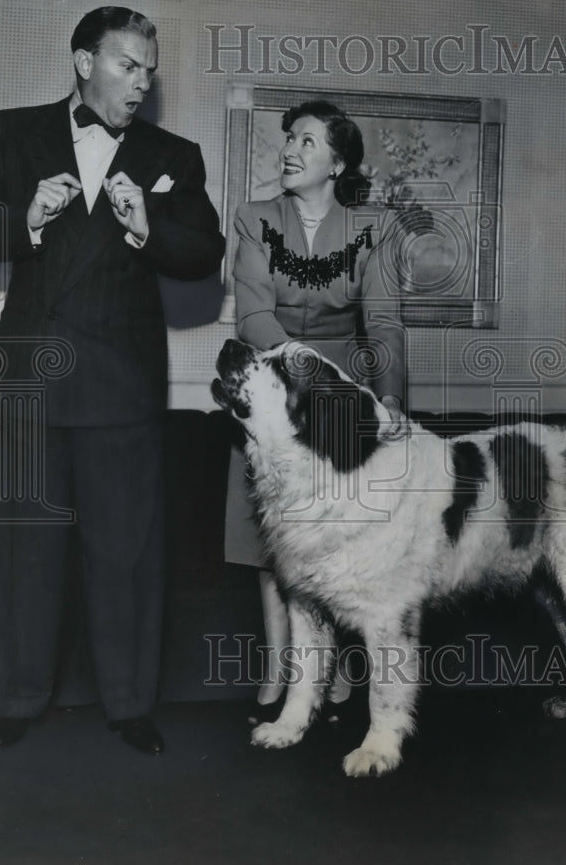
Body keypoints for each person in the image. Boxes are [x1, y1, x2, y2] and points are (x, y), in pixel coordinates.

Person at [0, 6, 225, 755]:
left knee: (127, 554)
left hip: (122, 383)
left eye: (149, 71)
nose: (140, 84)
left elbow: (204, 253)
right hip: (34, 378)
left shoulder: (174, 153)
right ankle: (15, 700)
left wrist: (145, 226)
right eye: (127, 65)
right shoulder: (11, 130)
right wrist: (25, 220)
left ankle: (131, 705)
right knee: (26, 548)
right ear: (83, 61)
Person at [224, 99, 407, 716]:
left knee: (338, 539)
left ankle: (334, 673)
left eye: (307, 141)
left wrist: (388, 400)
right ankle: (281, 675)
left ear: (338, 162)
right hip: (269, 402)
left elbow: (383, 323)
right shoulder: (252, 219)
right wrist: (301, 365)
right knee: (272, 543)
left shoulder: (372, 229)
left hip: (340, 408)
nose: (290, 150)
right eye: (289, 140)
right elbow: (251, 315)